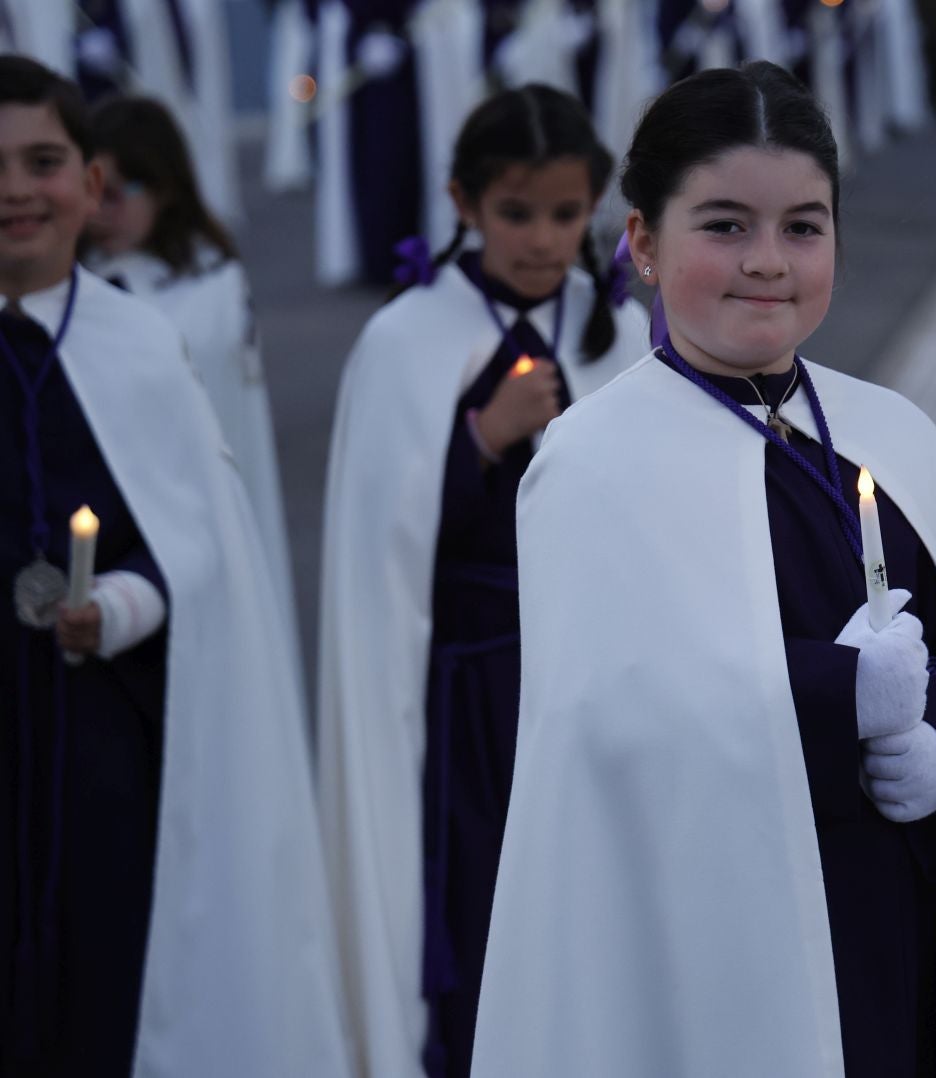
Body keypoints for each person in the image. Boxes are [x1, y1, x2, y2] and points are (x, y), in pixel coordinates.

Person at [470, 62, 936, 1078]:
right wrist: (835, 692)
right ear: (641, 242)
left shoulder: (892, 433)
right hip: (717, 953)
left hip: (917, 929)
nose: (768, 260)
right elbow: (606, 718)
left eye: (804, 227)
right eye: (724, 225)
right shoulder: (592, 461)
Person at [0, 55, 347, 1078]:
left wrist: (122, 600)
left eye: (44, 161)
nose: (16, 188)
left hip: (108, 729)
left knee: (106, 970)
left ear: (92, 185)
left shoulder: (139, 347)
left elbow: (202, 545)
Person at [316, 83, 648, 1078]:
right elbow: (381, 540)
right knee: (479, 901)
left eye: (563, 213)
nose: (542, 239)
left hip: (589, 674)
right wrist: (478, 439)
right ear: (462, 203)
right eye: (515, 213)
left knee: (589, 899)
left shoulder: (621, 330)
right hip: (468, 696)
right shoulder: (407, 338)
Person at [84, 95, 296, 652]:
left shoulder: (212, 287)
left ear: (164, 187)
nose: (99, 211)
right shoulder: (78, 282)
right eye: (89, 192)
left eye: (116, 194)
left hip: (195, 512)